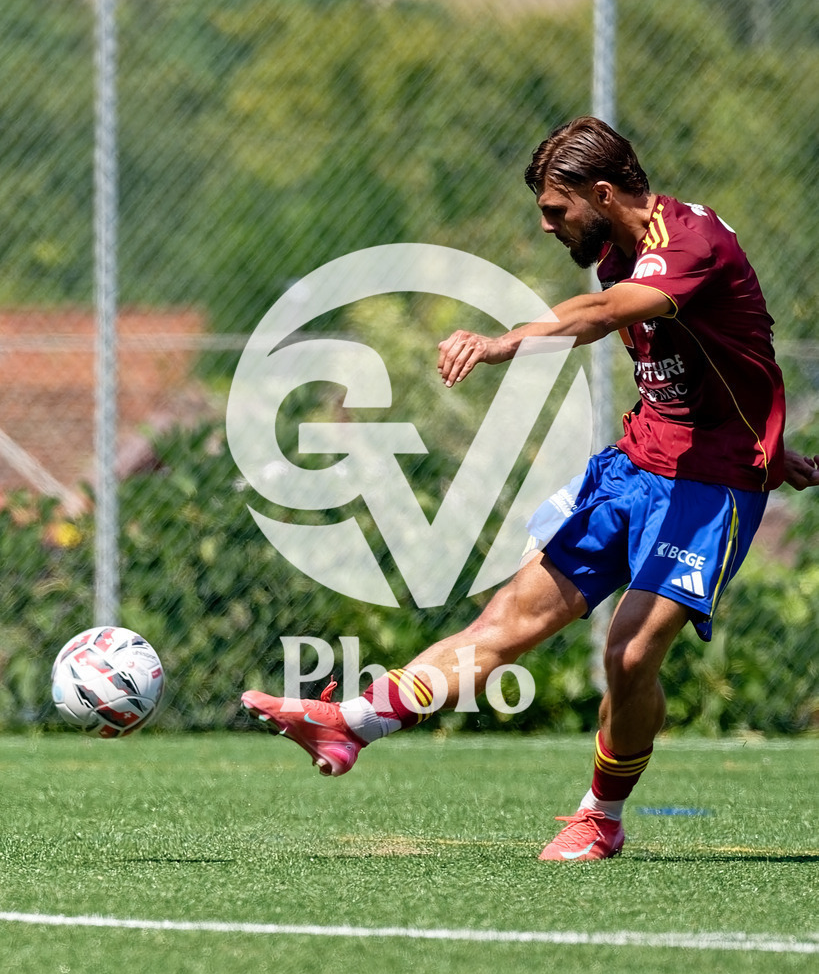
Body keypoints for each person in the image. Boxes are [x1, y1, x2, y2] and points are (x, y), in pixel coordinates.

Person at [242, 117, 819, 862]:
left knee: (629, 655)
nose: (547, 225)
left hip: (709, 491)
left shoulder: (689, 243)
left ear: (602, 193)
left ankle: (600, 818)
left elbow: (605, 315)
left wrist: (502, 341)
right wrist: (767, 440)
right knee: (503, 626)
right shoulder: (616, 251)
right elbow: (709, 356)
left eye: (555, 209)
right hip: (635, 466)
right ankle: (348, 725)